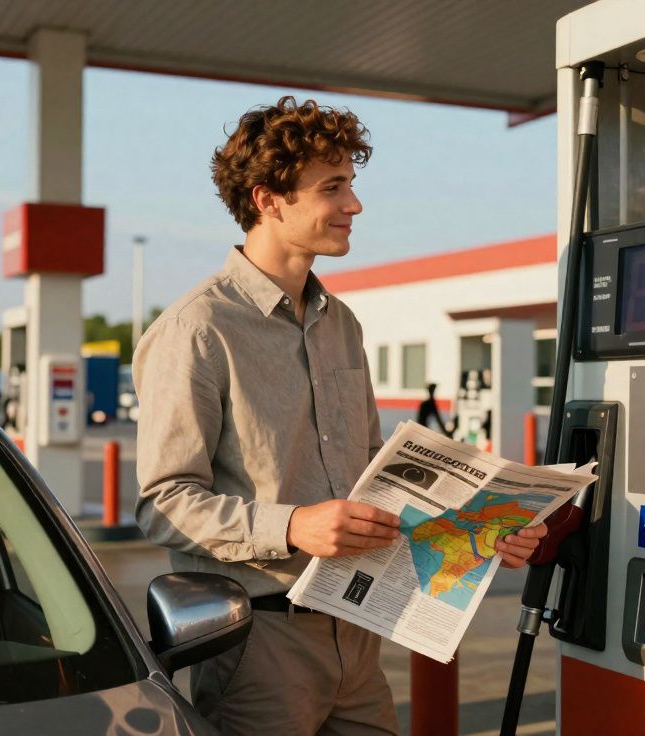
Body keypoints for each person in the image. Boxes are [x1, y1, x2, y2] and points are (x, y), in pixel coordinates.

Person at [132, 96, 548, 736]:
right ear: (269, 199)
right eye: (333, 188)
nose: (354, 205)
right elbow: (162, 502)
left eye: (351, 185)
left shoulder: (342, 326)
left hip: (358, 628)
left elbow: (380, 489)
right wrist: (292, 526)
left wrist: (485, 533)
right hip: (257, 642)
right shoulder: (196, 331)